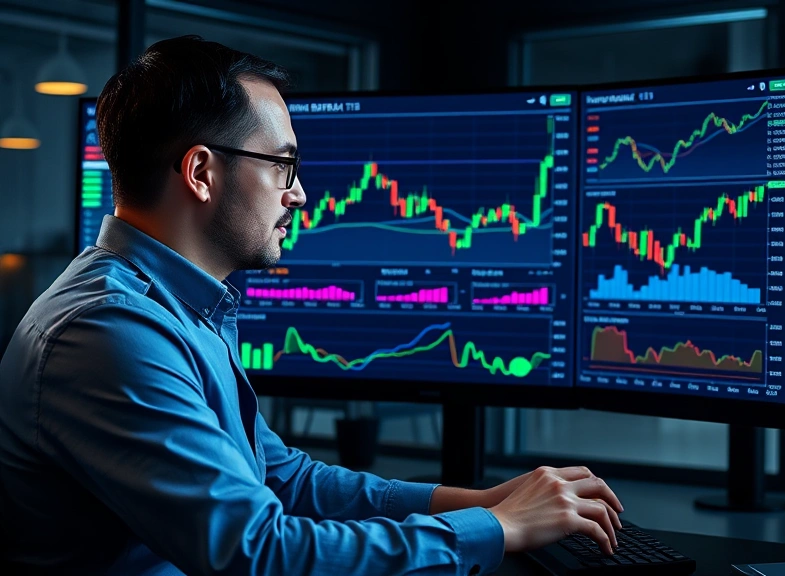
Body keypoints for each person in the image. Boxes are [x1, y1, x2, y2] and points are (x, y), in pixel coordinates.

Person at [0, 36, 623, 575]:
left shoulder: (173, 307)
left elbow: (280, 478)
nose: (298, 193)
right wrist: (500, 529)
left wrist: (480, 503)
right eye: (283, 165)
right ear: (200, 172)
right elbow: (257, 555)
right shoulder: (110, 331)